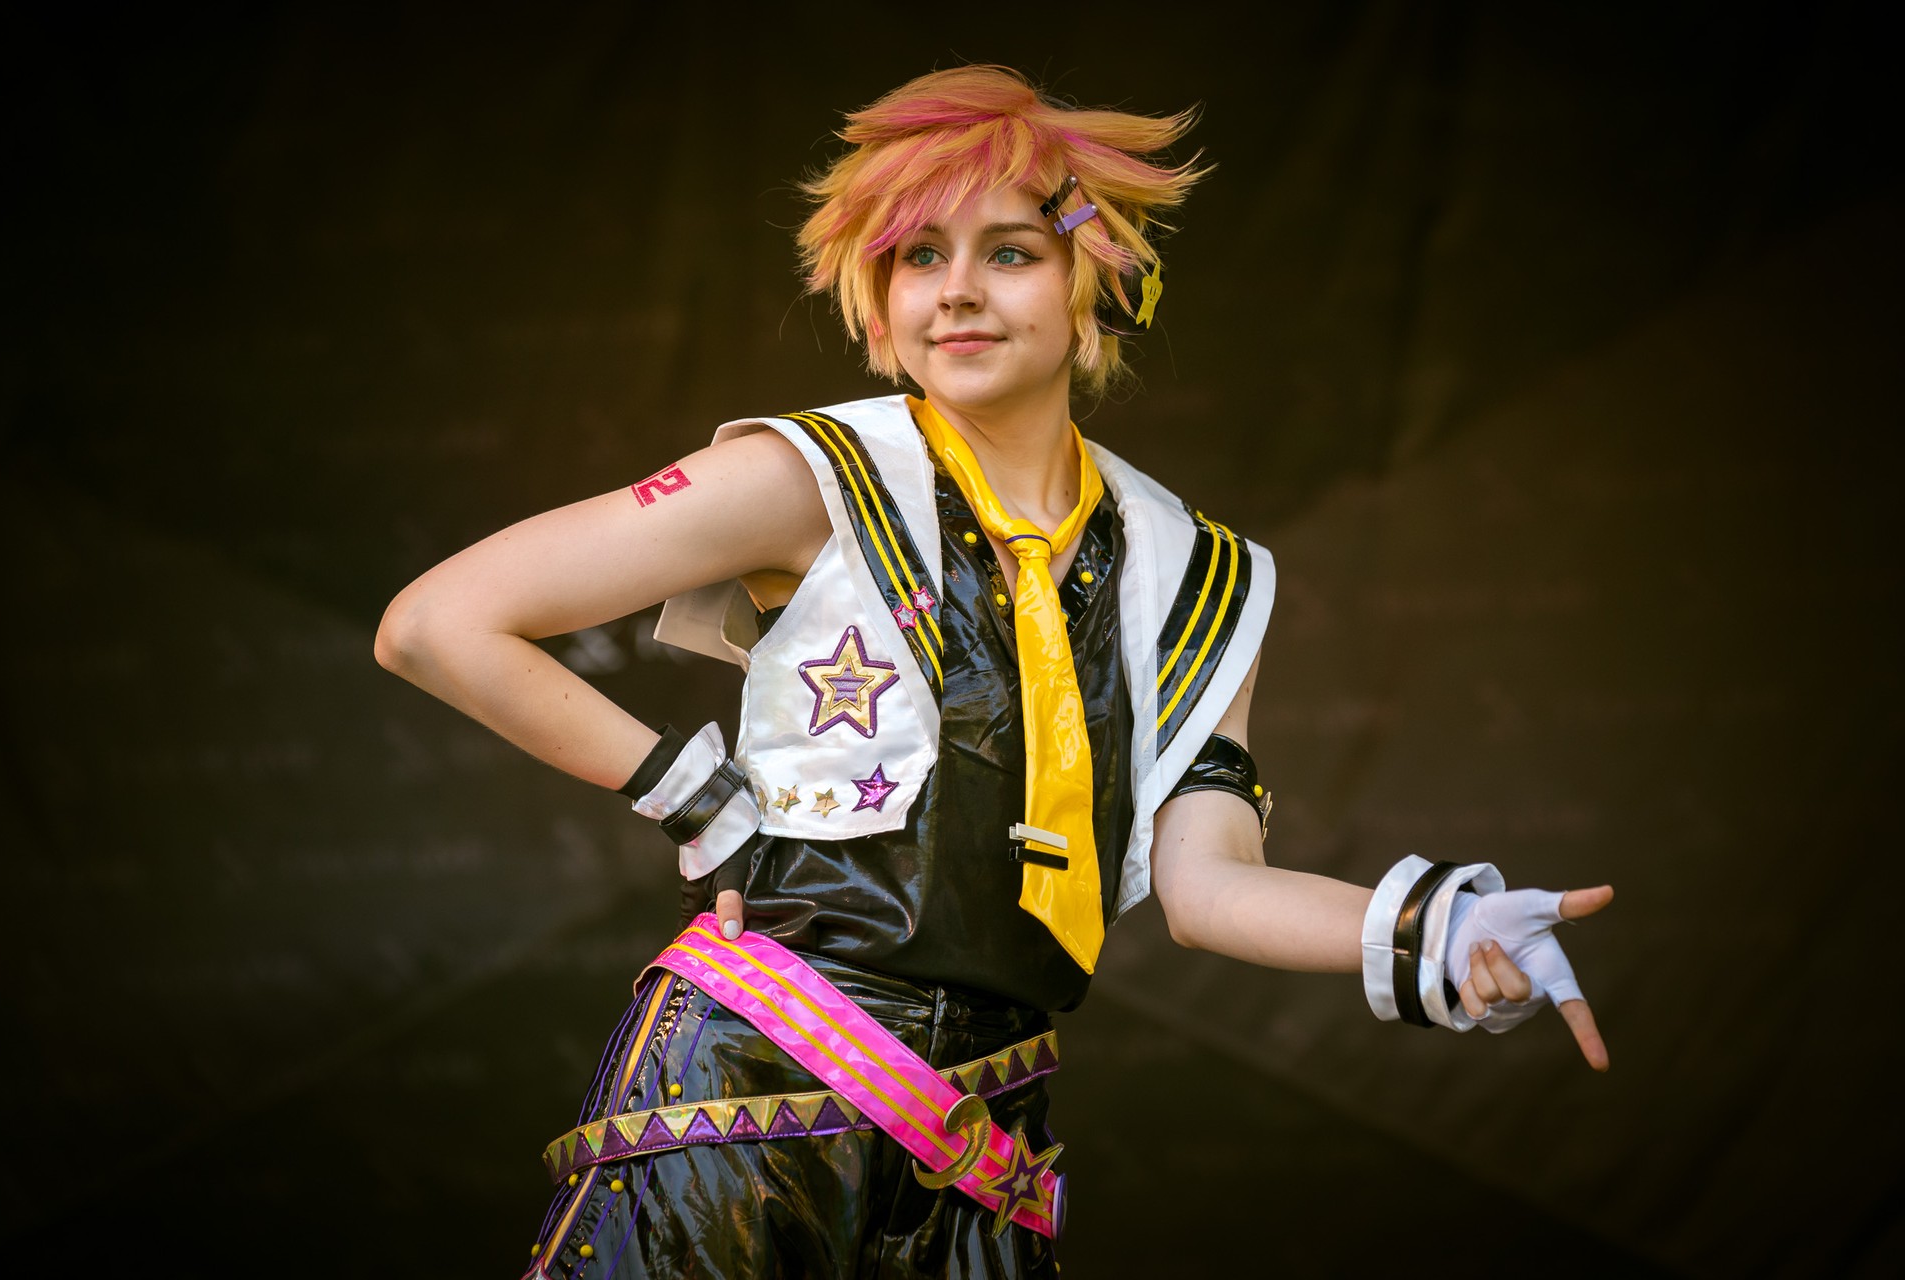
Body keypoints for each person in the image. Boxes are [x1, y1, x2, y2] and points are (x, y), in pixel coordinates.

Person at [375, 64, 1612, 1280]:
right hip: (746, 1091)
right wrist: (699, 803)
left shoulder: (1199, 572)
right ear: (877, 291)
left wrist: (1437, 926)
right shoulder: (810, 477)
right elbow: (437, 622)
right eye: (919, 255)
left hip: (982, 1133)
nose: (958, 291)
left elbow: (1209, 887)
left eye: (1010, 251)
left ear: (1098, 283)